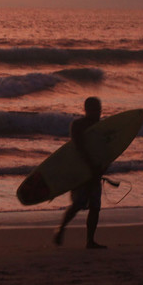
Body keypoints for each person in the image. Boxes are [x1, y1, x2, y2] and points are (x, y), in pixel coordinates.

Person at [54, 96, 106, 249]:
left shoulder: (102, 127)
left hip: (95, 170)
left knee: (95, 207)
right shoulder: (77, 125)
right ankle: (61, 229)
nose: (98, 112)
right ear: (86, 110)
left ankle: (90, 241)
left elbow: (106, 150)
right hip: (80, 170)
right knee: (78, 204)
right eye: (95, 109)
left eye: (99, 109)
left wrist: (102, 167)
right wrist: (90, 166)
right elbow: (79, 147)